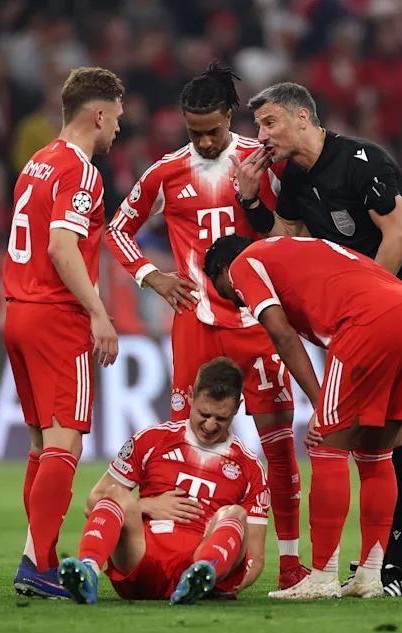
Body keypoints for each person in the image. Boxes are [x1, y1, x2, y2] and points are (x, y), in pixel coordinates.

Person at [233, 81, 402, 596]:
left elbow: (399, 236)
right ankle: (379, 566)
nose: (261, 136)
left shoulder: (362, 161)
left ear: (303, 118)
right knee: (375, 438)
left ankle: (398, 565)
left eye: (269, 123)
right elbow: (284, 245)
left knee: (391, 433)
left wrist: (365, 307)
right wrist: (250, 198)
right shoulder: (293, 178)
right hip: (367, 307)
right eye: (258, 126)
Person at [104, 62, 308, 589]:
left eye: (213, 130)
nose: (206, 141)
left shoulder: (262, 161)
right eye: (195, 132)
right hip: (196, 326)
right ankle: (177, 558)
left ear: (230, 118)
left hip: (258, 321)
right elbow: (118, 229)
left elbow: (292, 226)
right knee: (187, 448)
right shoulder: (166, 171)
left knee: (279, 446)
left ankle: (290, 565)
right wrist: (152, 276)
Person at [204, 235, 402, 599]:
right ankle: (370, 576)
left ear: (222, 270)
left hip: (371, 318)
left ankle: (323, 577)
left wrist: (320, 402)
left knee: (326, 444)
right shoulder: (293, 247)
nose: (235, 301)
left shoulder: (243, 265)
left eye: (224, 291)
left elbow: (282, 336)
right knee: (377, 452)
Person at [3, 67, 124, 598]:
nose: (118, 127)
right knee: (65, 442)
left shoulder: (36, 163)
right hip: (56, 316)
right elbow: (60, 245)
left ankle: (41, 559)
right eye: (116, 117)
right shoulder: (81, 170)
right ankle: (36, 563)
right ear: (97, 115)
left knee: (40, 444)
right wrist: (98, 312)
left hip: (18, 311)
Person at [58, 357, 269, 605]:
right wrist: (145, 505)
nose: (210, 425)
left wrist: (227, 586)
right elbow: (91, 503)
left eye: (221, 418)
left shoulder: (250, 467)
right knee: (115, 493)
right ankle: (88, 572)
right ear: (190, 396)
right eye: (204, 414)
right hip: (139, 559)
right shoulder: (152, 440)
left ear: (237, 408)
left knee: (235, 514)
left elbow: (255, 558)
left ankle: (202, 575)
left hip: (199, 565)